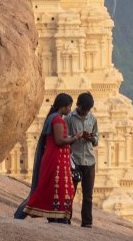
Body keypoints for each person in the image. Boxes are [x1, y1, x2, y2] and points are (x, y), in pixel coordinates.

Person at [21, 93, 91, 223]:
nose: (70, 109)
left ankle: (56, 217)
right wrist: (76, 137)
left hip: (57, 158)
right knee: (62, 190)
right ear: (63, 107)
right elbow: (59, 141)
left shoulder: (55, 118)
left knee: (56, 189)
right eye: (69, 106)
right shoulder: (57, 119)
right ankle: (56, 218)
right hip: (56, 160)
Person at [65, 91, 100, 228]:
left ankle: (87, 222)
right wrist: (76, 137)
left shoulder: (93, 119)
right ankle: (66, 219)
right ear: (78, 105)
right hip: (75, 160)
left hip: (89, 161)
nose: (86, 112)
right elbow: (64, 138)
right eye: (84, 109)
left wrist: (91, 138)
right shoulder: (69, 118)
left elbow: (96, 139)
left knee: (88, 196)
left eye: (88, 110)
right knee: (70, 193)